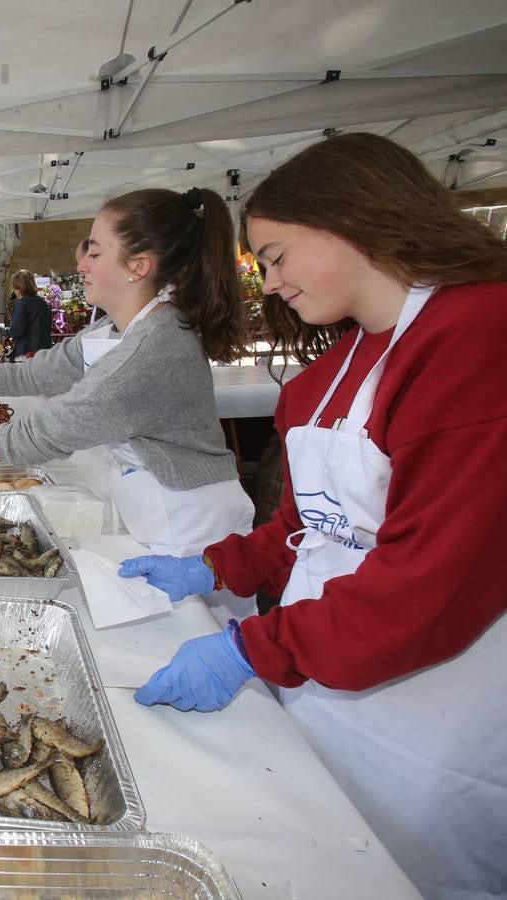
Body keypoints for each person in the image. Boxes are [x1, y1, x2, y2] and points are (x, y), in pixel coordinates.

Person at [116, 134, 507, 899]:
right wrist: (217, 567)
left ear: (349, 219)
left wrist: (250, 649)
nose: (272, 280)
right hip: (321, 674)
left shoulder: (477, 335)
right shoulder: (337, 368)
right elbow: (309, 531)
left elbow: (426, 588)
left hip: (434, 708)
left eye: (279, 254)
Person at [0, 187, 253, 557]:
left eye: (95, 252)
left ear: (138, 266)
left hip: (190, 526)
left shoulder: (150, 352)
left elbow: (32, 440)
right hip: (153, 506)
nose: (81, 265)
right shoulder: (116, 329)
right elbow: (37, 374)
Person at [0, 269, 53, 360]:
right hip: (44, 352)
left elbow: (15, 331)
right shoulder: (43, 302)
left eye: (14, 287)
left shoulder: (22, 303)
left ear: (19, 287)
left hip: (26, 353)